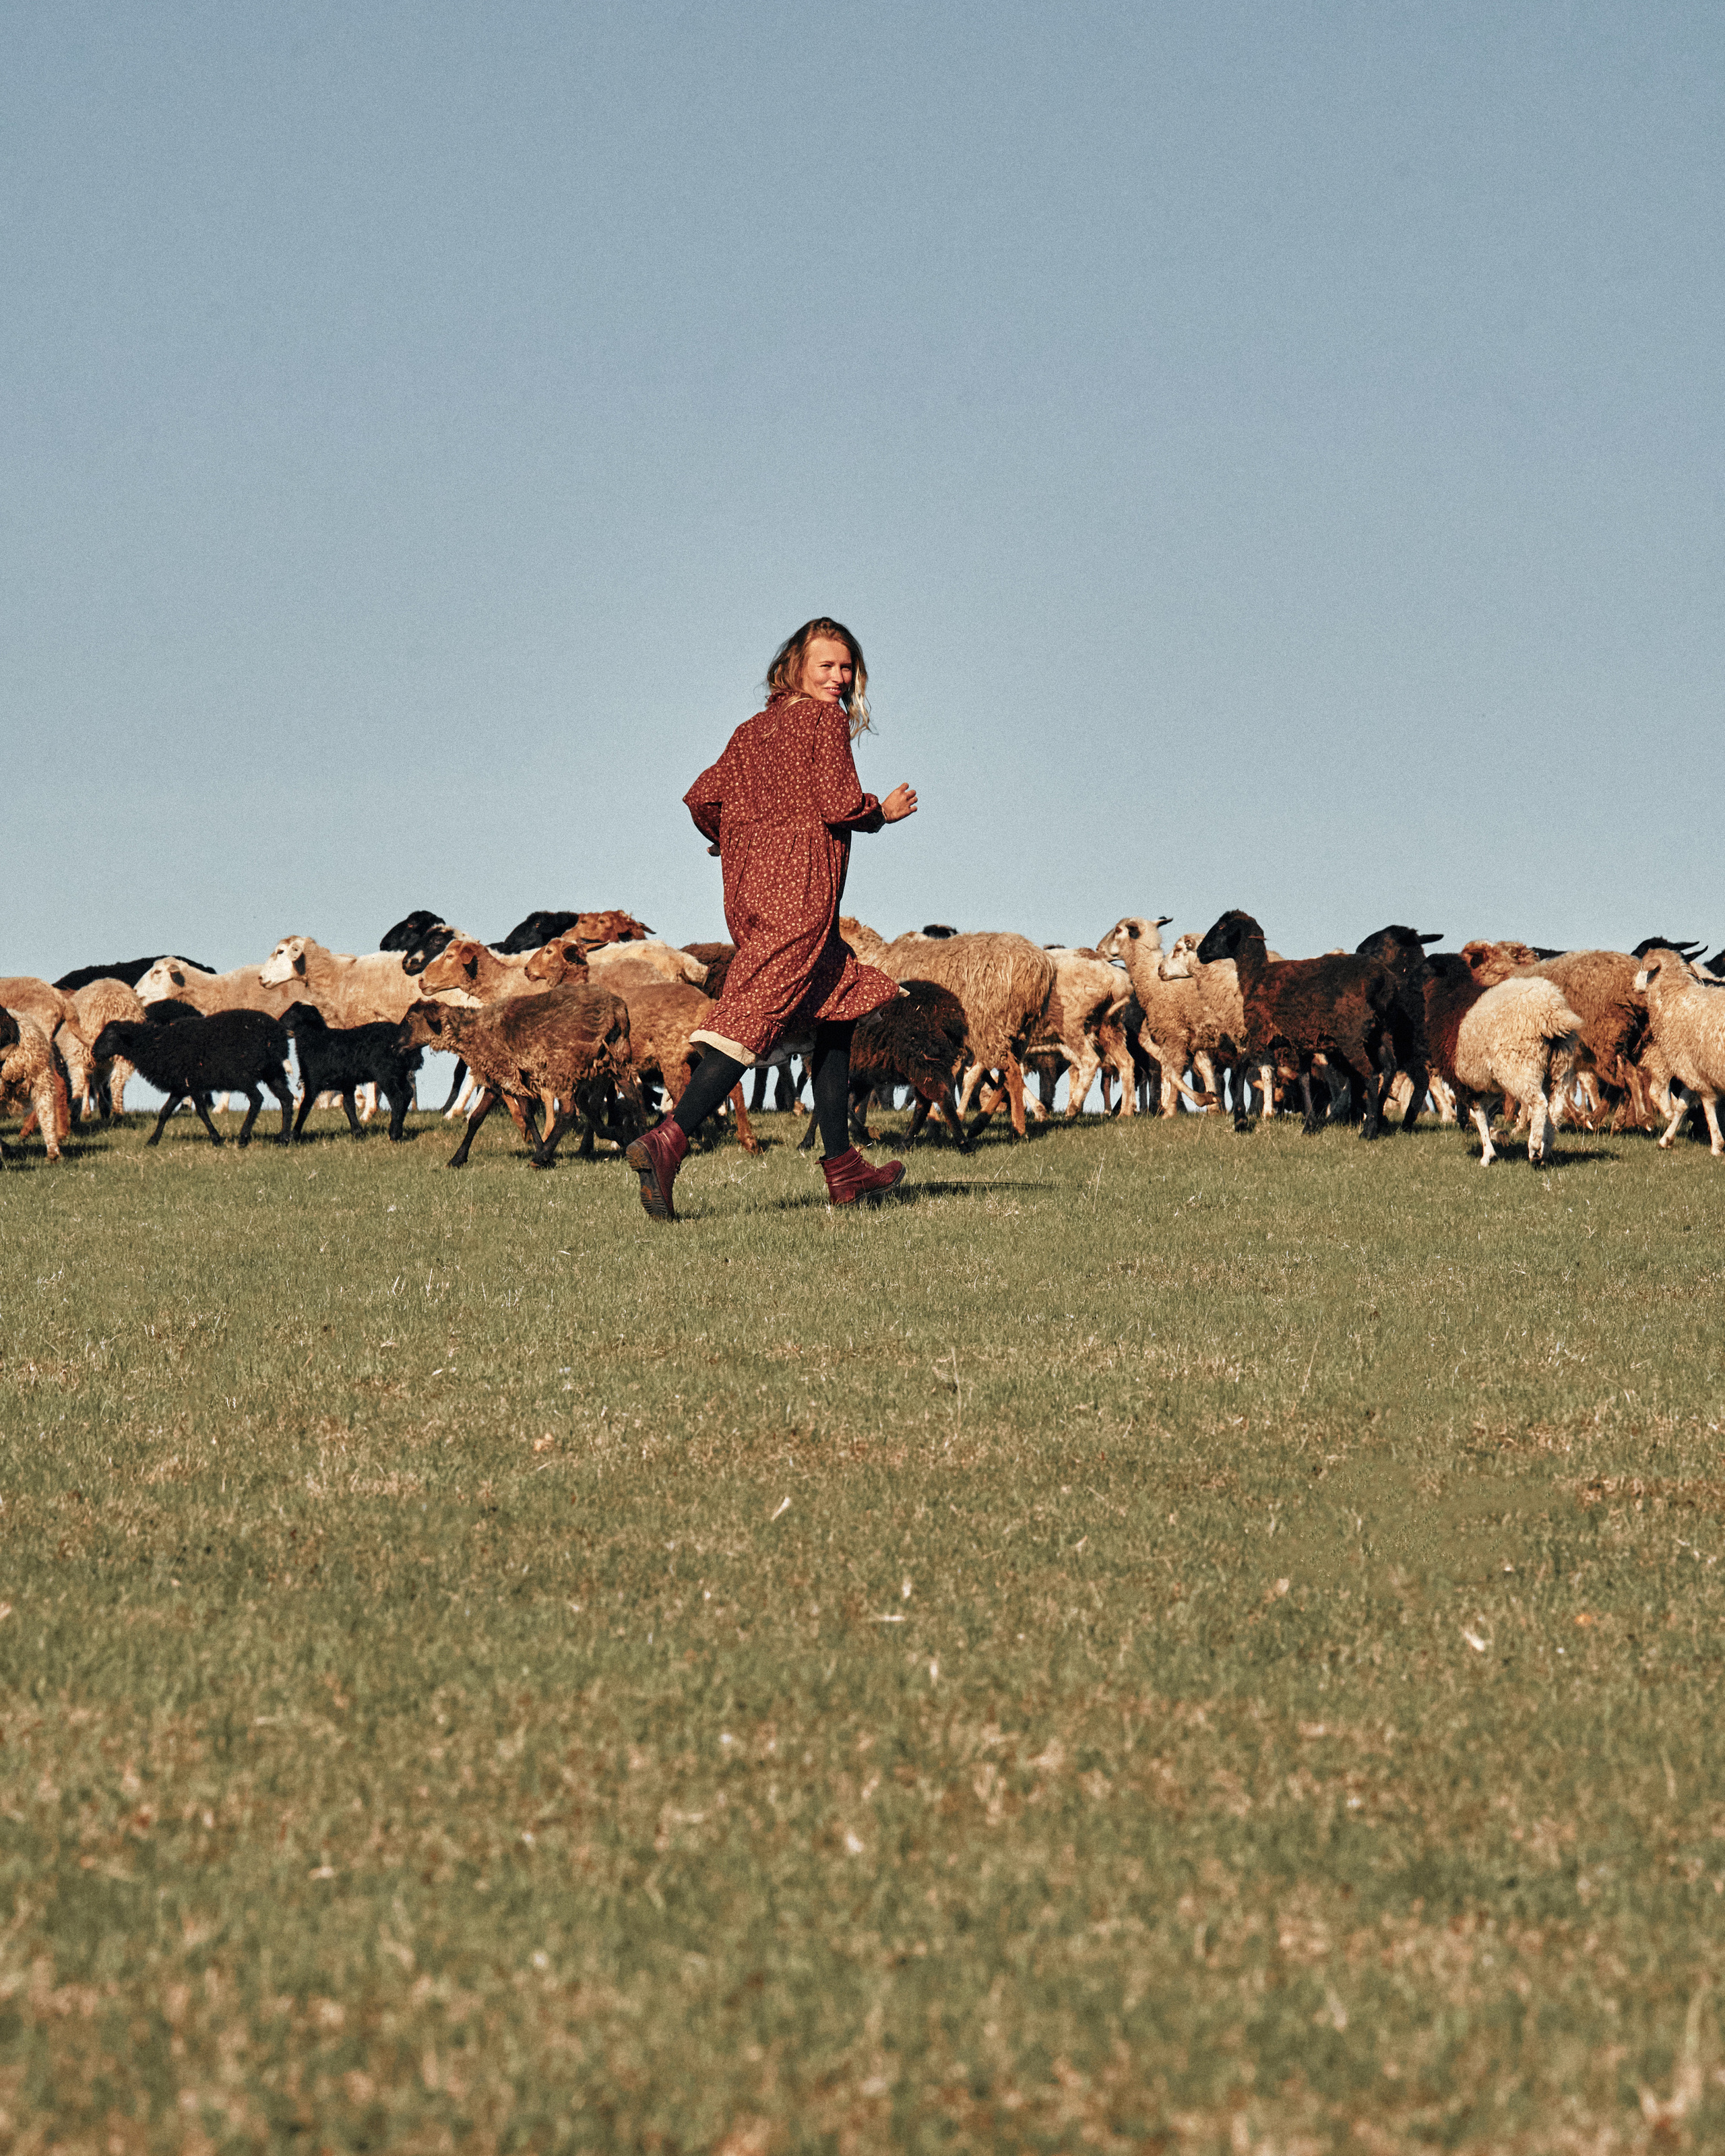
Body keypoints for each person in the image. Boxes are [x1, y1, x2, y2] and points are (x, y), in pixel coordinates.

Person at [625, 617, 919, 1222]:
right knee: (757, 1013)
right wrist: (880, 813)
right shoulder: (823, 720)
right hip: (802, 890)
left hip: (751, 890)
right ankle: (668, 1140)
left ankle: (844, 1170)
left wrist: (734, 834)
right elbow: (839, 802)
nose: (838, 679)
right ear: (796, 668)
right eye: (827, 666)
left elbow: (703, 798)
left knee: (838, 998)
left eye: (846, 668)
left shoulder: (752, 731)